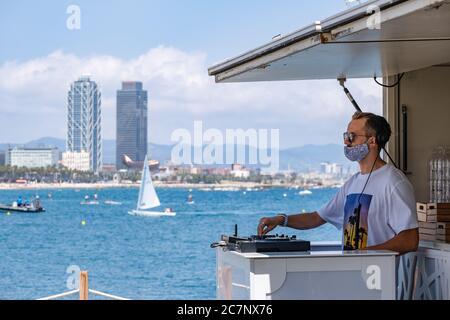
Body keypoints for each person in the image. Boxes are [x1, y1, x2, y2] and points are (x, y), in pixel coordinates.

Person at [258, 112, 419, 254]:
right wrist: (281, 220)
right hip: (352, 276)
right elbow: (317, 218)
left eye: (352, 136)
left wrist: (366, 254)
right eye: (345, 136)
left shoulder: (394, 183)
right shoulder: (352, 183)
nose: (346, 142)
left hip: (380, 280)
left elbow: (410, 240)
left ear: (372, 141)